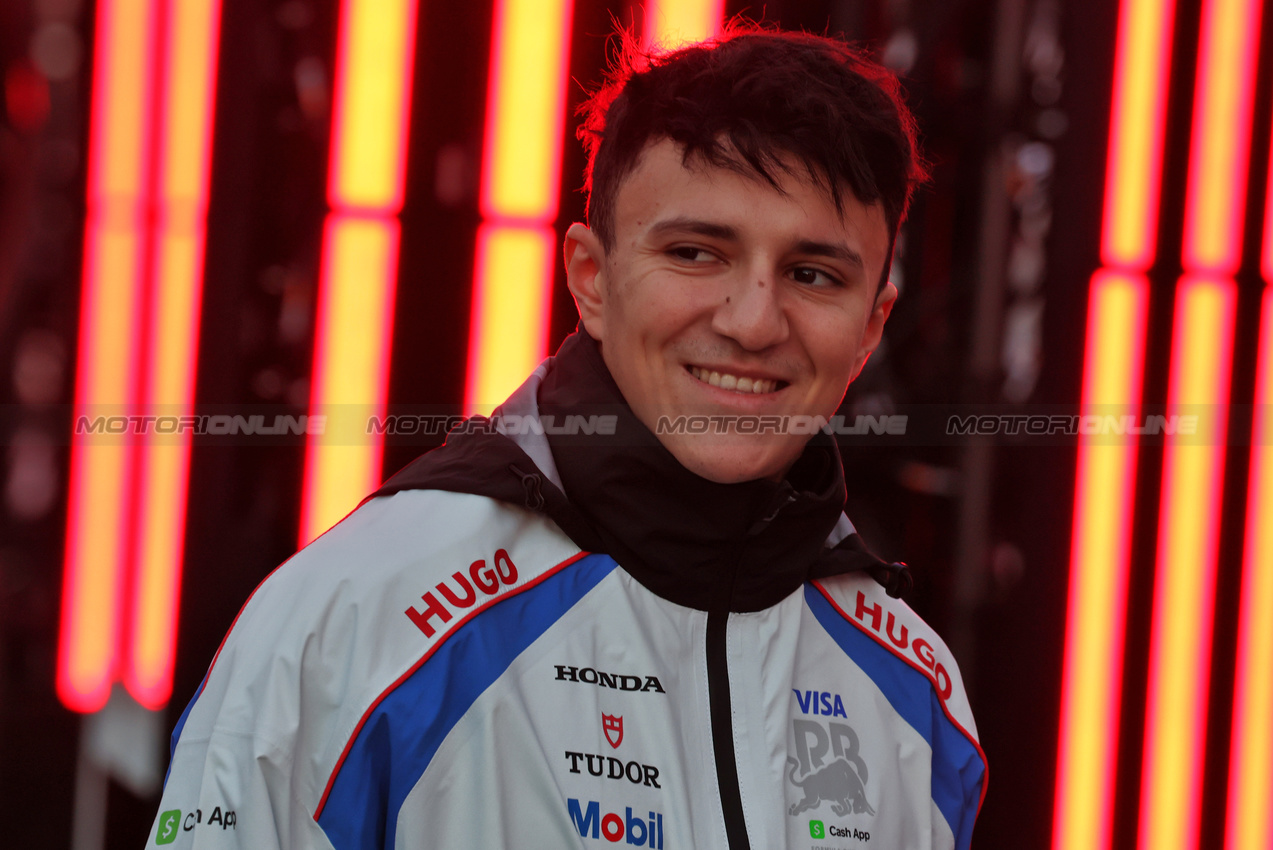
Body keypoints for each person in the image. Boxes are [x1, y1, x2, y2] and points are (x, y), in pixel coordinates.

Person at [149, 24, 986, 850]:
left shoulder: (916, 692)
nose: (753, 321)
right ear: (590, 279)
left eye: (812, 275)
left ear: (872, 326)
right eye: (696, 254)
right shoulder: (361, 620)